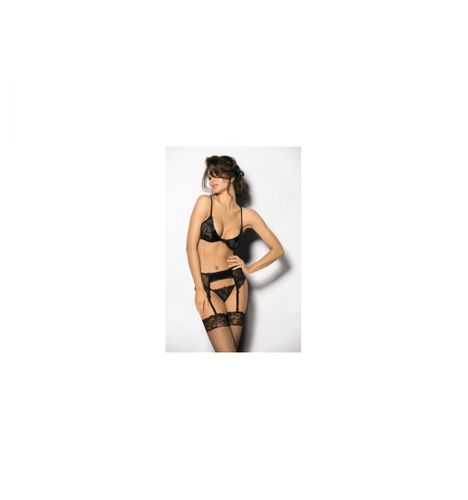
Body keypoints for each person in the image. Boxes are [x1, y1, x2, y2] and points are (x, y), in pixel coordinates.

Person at [186, 155, 284, 352]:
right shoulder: (204, 203)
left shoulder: (247, 215)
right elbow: (190, 247)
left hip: (236, 285)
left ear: (231, 177)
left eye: (217, 175)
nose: (211, 180)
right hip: (207, 285)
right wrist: (199, 289)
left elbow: (277, 249)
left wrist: (249, 268)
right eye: (209, 176)